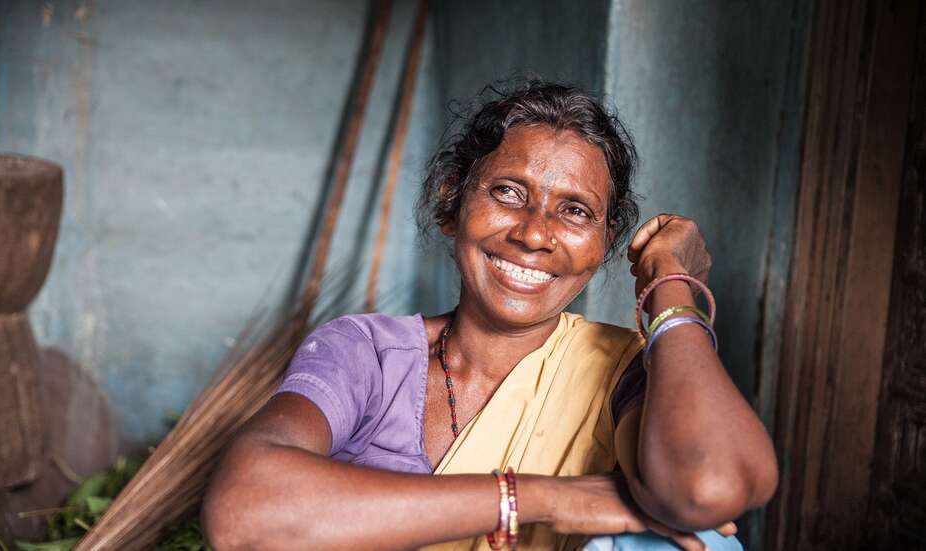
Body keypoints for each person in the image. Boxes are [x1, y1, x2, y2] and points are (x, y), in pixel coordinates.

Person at [201, 81, 778, 551]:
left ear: (605, 244)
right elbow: (244, 513)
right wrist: (551, 498)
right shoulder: (367, 356)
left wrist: (671, 287)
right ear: (453, 203)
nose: (533, 234)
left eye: (575, 211)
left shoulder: (618, 374)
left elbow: (710, 488)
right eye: (507, 192)